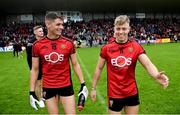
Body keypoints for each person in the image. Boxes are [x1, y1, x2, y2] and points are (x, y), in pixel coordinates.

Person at [90, 15, 169, 114]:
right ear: (114, 29)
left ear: (129, 29)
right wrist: (93, 88)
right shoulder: (107, 48)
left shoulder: (135, 47)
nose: (121, 31)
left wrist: (156, 75)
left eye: (124, 28)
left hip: (131, 93)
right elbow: (98, 68)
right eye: (118, 28)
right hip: (114, 94)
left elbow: (148, 64)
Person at [29, 12, 88, 114]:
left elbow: (75, 64)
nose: (61, 27)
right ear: (48, 24)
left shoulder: (68, 43)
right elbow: (34, 69)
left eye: (62, 24)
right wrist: (31, 92)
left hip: (66, 85)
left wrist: (83, 84)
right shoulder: (37, 45)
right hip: (48, 87)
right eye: (58, 24)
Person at [27, 25, 45, 109]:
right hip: (36, 66)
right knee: (38, 83)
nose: (42, 32)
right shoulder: (31, 43)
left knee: (44, 82)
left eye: (42, 31)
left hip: (45, 65)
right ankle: (40, 100)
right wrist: (33, 69)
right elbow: (29, 59)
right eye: (40, 31)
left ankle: (43, 96)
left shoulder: (45, 40)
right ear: (35, 33)